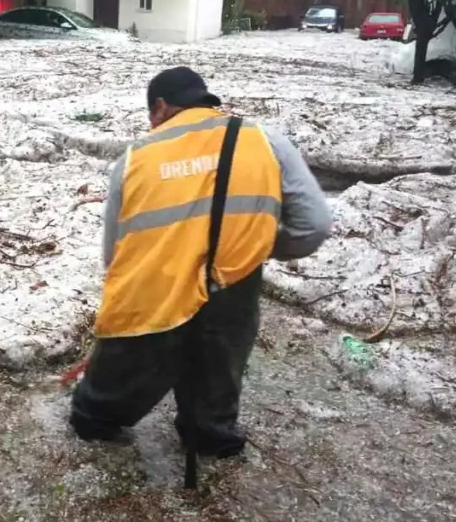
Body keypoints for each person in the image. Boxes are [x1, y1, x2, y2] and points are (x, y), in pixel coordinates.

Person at [70, 66, 333, 459]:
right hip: (234, 280)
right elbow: (313, 226)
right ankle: (208, 433)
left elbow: (114, 252)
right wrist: (251, 245)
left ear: (159, 106)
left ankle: (97, 419)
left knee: (105, 397)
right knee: (217, 373)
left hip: (156, 282)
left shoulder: (137, 155)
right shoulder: (263, 139)